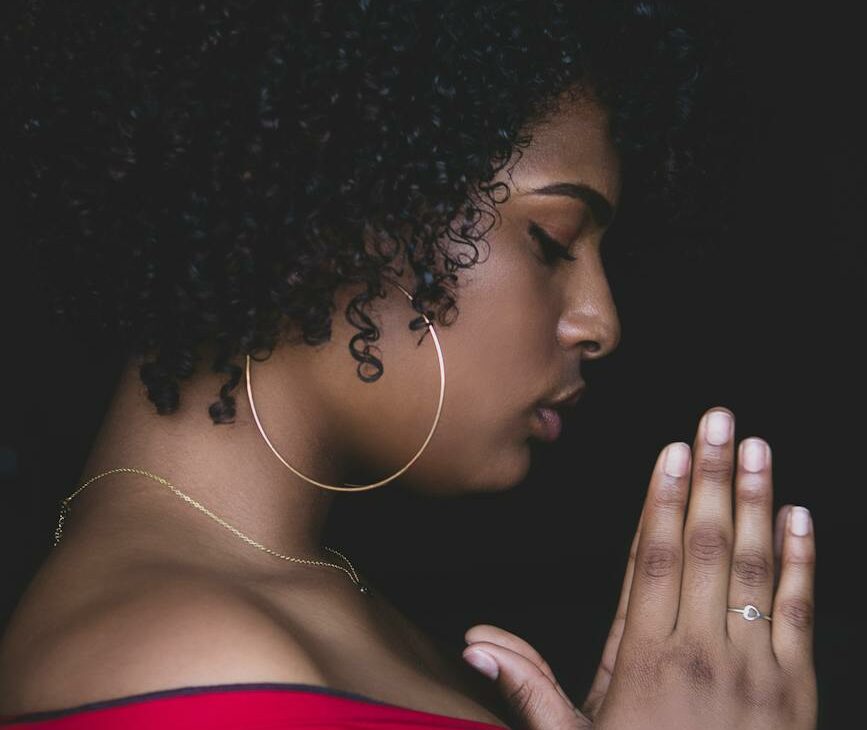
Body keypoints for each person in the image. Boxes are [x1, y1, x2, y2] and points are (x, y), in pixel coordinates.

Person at [0, 1, 817, 728]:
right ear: (342, 206)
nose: (599, 322)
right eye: (553, 239)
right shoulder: (184, 661)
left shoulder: (324, 614)